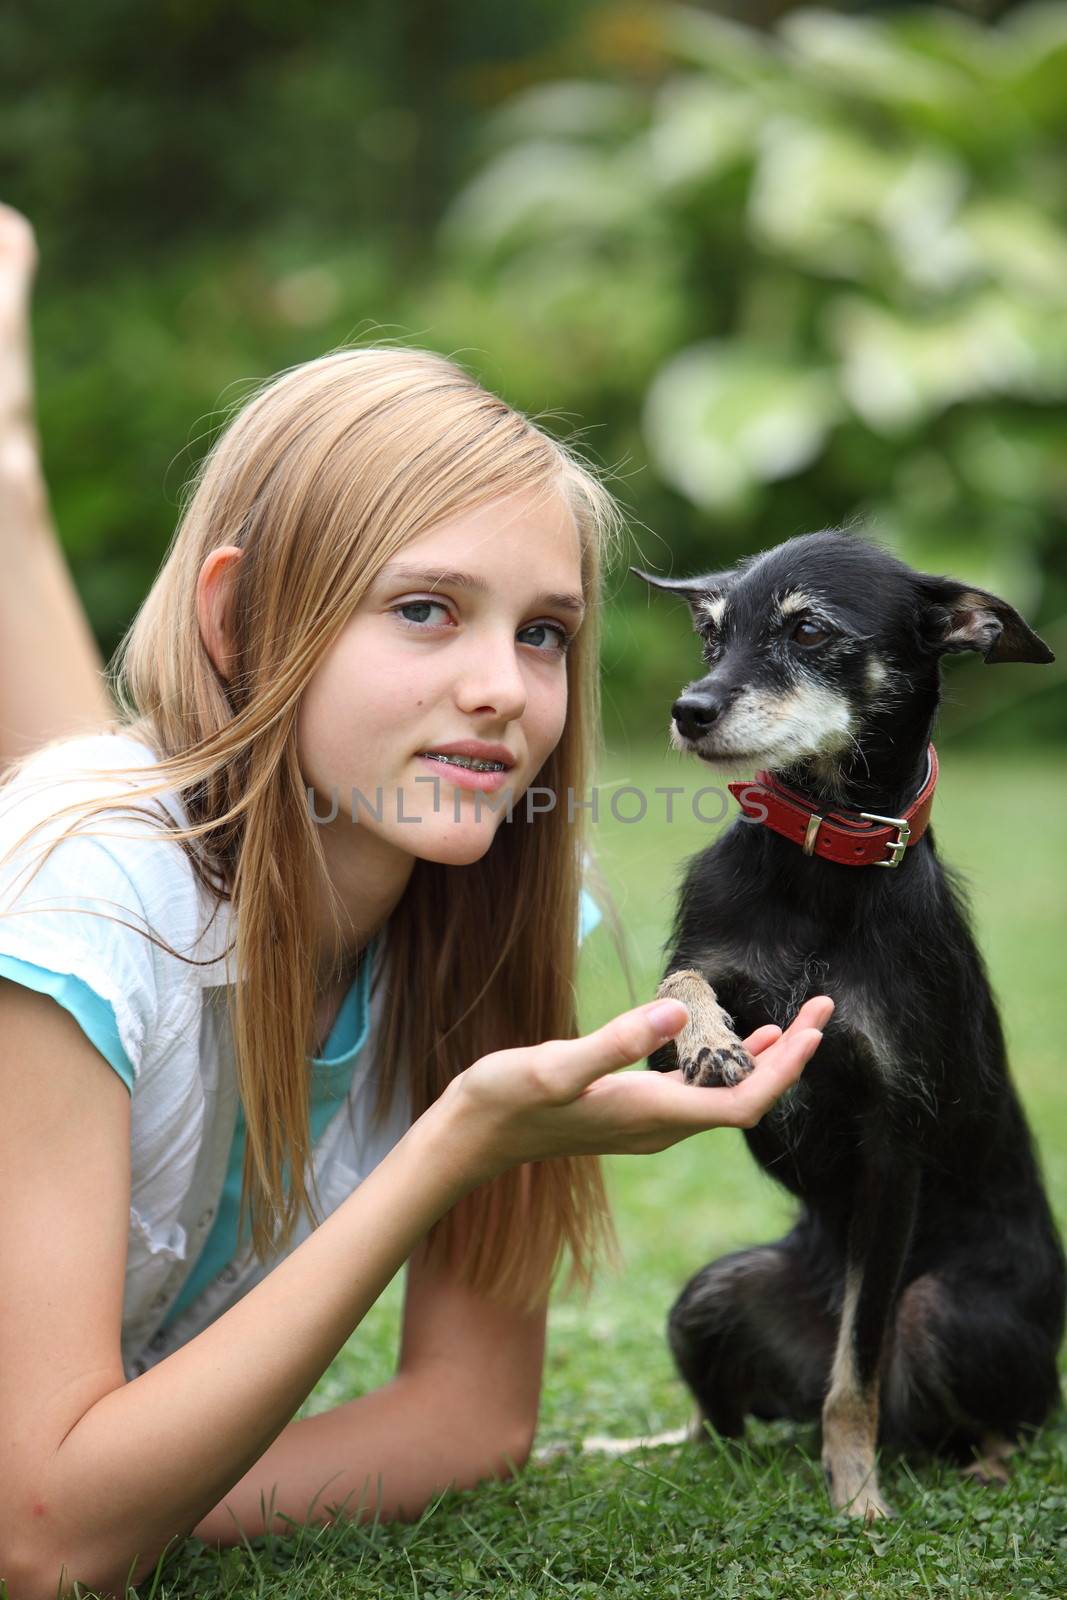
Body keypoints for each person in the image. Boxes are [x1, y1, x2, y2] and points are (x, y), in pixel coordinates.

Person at [0, 203, 832, 1600]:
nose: (504, 690)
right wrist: (454, 1145)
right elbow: (42, 1548)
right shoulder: (75, 913)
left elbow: (468, 1419)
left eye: (544, 632)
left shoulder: (494, 916)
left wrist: (121, 1493)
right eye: (426, 610)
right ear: (241, 617)